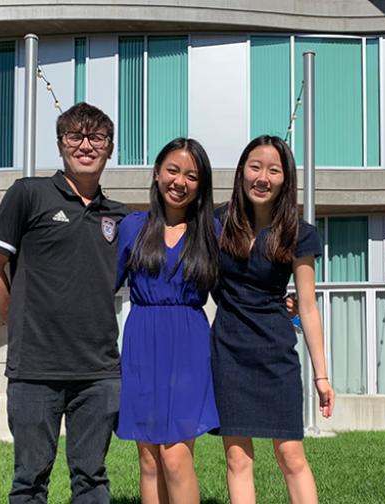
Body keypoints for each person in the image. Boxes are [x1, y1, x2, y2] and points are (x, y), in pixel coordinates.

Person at [0, 102, 127, 504]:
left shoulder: (119, 217)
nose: (85, 145)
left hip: (99, 372)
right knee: (29, 481)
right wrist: (17, 321)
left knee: (92, 480)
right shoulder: (29, 194)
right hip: (35, 370)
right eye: (75, 136)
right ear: (60, 144)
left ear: (110, 148)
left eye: (96, 137)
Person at [211, 135, 335, 504]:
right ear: (241, 172)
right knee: (237, 458)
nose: (262, 177)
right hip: (228, 351)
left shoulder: (299, 233)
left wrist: (322, 375)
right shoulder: (216, 223)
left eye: (274, 170)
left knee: (291, 455)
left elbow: (308, 307)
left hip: (275, 351)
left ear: (285, 179)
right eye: (255, 167)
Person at [115, 138, 220, 504]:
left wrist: (278, 306)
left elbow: (234, 292)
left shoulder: (212, 232)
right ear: (157, 174)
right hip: (142, 344)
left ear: (201, 185)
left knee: (175, 457)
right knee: (148, 460)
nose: (180, 181)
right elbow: (101, 288)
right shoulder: (132, 227)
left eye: (191, 175)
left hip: (189, 348)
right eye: (172, 170)